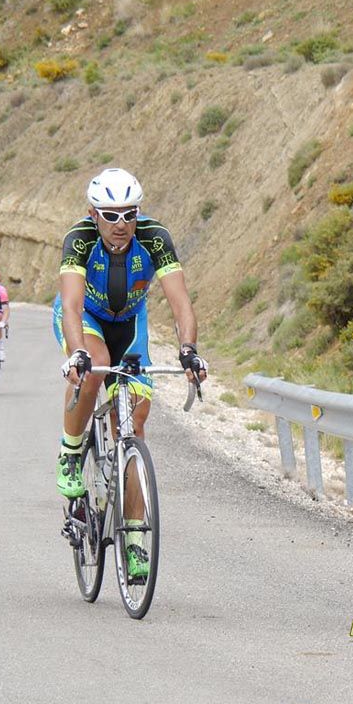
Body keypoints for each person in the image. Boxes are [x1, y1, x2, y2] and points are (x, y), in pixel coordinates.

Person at [55, 167, 208, 579]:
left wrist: (188, 349)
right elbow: (70, 305)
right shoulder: (80, 239)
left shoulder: (155, 237)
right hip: (86, 318)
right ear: (93, 213)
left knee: (135, 425)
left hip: (131, 322)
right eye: (110, 215)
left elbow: (180, 303)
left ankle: (136, 539)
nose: (121, 225)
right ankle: (70, 454)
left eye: (129, 214)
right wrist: (77, 353)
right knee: (93, 366)